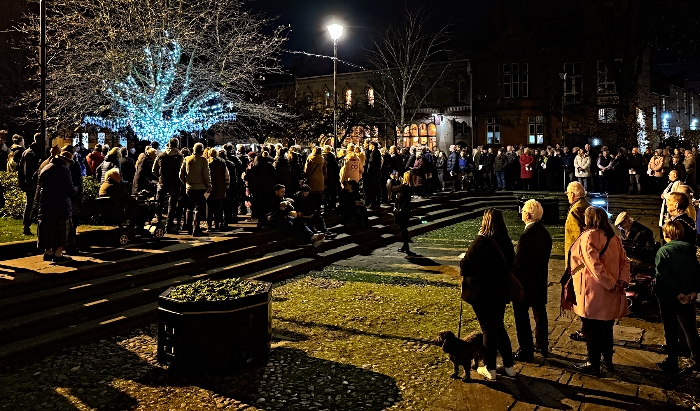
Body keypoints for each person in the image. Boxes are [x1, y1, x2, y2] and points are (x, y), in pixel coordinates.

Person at [569, 206, 630, 376]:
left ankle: (592, 363)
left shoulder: (589, 236)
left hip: (594, 291)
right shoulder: (613, 237)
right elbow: (625, 261)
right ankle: (608, 361)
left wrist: (610, 283)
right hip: (611, 291)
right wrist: (621, 281)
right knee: (606, 327)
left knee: (590, 328)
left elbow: (594, 265)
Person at [459, 208, 516, 380]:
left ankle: (490, 368)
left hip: (482, 294)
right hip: (500, 292)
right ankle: (509, 366)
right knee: (499, 327)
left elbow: (465, 266)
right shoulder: (505, 241)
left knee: (488, 330)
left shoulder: (480, 242)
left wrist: (462, 259)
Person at [654, 221, 700, 373]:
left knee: (671, 330)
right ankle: (697, 358)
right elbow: (696, 272)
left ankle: (672, 362)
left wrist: (677, 294)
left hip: (669, 298)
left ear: (666, 234)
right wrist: (693, 291)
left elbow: (663, 276)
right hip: (689, 297)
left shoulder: (664, 251)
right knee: (690, 328)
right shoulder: (690, 250)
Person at [512, 200, 553, 362]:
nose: (521, 214)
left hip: (525, 284)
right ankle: (542, 344)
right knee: (540, 314)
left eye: (523, 212)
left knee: (522, 318)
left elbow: (519, 264)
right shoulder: (544, 233)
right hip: (539, 280)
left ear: (527, 215)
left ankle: (525, 349)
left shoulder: (527, 236)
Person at [36, 151, 77, 263]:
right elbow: (68, 189)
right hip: (60, 205)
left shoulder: (46, 167)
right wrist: (75, 190)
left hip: (45, 204)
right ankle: (58, 253)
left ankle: (48, 252)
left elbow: (39, 187)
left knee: (48, 230)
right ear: (66, 161)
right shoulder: (64, 169)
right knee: (61, 231)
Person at [153, 137, 184, 233]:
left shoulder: (161, 155)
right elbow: (182, 170)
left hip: (163, 182)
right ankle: (168, 227)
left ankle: (158, 224)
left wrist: (159, 176)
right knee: (172, 205)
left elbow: (154, 169)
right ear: (177, 145)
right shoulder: (179, 156)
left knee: (159, 203)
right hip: (175, 183)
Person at [179, 143, 211, 237]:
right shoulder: (203, 160)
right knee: (198, 209)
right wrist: (209, 185)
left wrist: (185, 183)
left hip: (189, 188)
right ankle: (196, 228)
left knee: (189, 208)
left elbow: (181, 174)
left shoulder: (187, 159)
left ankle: (188, 228)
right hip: (200, 188)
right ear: (201, 150)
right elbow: (206, 174)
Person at [17, 134, 42, 235]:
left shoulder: (26, 152)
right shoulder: (36, 152)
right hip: (34, 183)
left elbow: (20, 169)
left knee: (29, 205)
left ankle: (26, 226)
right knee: (32, 205)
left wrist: (22, 183)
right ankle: (28, 226)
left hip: (28, 183)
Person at [390, 171, 414, 253]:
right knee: (403, 228)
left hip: (401, 210)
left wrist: (393, 179)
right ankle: (405, 245)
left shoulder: (404, 187)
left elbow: (392, 188)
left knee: (403, 228)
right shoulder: (410, 187)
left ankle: (405, 245)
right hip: (406, 209)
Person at [207, 149, 230, 232]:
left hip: (210, 188)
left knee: (209, 207)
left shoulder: (207, 162)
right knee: (218, 207)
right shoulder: (222, 163)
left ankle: (209, 225)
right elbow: (226, 175)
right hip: (220, 187)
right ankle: (217, 224)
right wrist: (226, 184)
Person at [659, 170, 682, 242]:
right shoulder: (671, 183)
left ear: (675, 175)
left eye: (670, 174)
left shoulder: (677, 183)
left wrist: (664, 195)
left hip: (670, 206)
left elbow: (673, 195)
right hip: (666, 204)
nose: (668, 175)